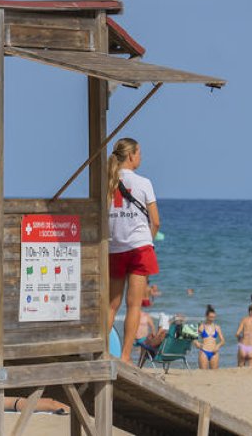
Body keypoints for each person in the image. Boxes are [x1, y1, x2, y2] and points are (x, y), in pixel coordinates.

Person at [105, 137, 161, 364]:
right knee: (134, 305)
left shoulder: (106, 181)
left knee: (111, 305)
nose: (141, 157)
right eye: (139, 153)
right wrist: (149, 240)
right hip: (139, 247)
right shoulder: (144, 183)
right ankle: (126, 356)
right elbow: (155, 221)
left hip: (115, 247)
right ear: (131, 156)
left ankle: (101, 351)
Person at [195, 305, 224, 370]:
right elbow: (193, 337)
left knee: (214, 373)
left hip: (214, 352)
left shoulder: (217, 327)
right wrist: (197, 343)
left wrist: (218, 346)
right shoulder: (201, 326)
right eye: (210, 317)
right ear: (206, 316)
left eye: (213, 317)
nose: (212, 319)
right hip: (204, 351)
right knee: (203, 372)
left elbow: (223, 341)